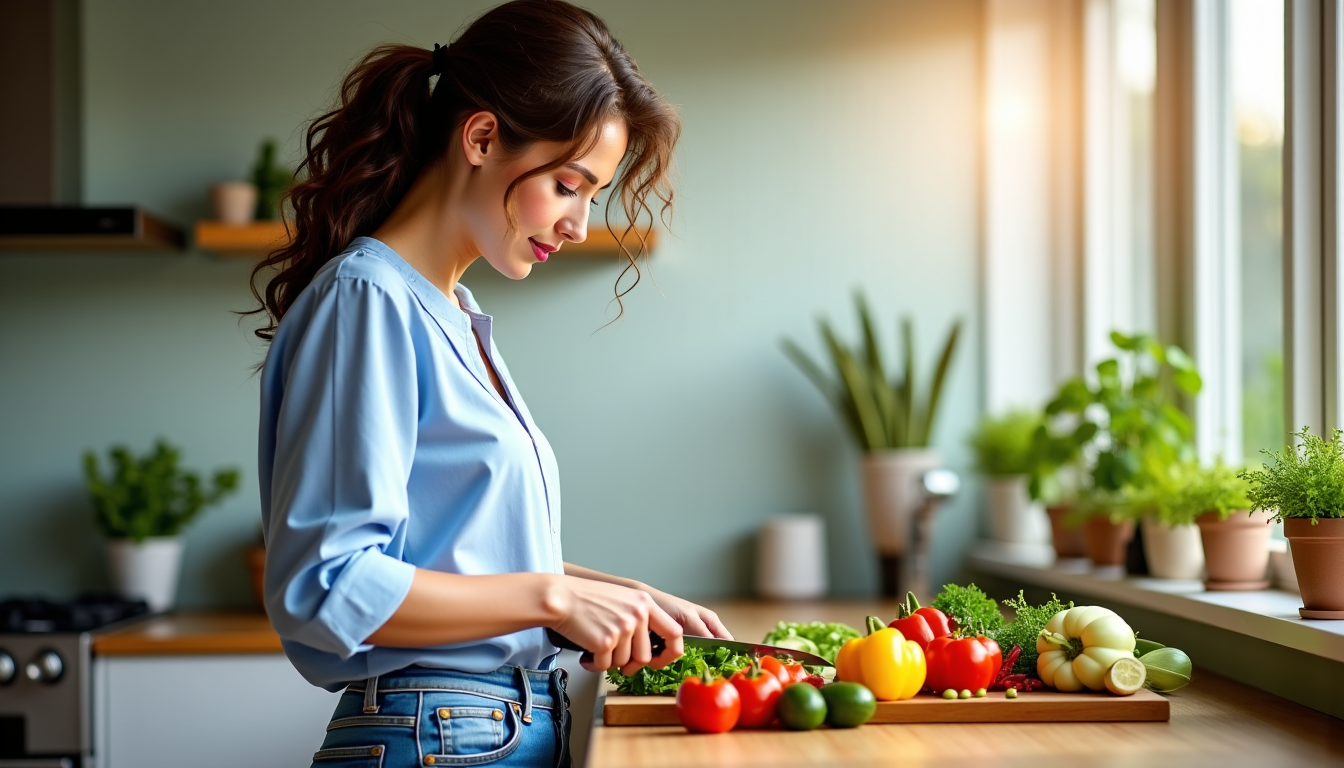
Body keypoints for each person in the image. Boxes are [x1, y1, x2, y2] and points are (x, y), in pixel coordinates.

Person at [248, 2, 732, 766]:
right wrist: (557, 599)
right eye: (569, 184)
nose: (576, 224)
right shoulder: (367, 300)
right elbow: (326, 584)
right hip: (437, 734)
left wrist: (624, 597)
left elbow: (462, 557)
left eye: (594, 198)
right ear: (480, 138)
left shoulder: (452, 312)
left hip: (485, 729)